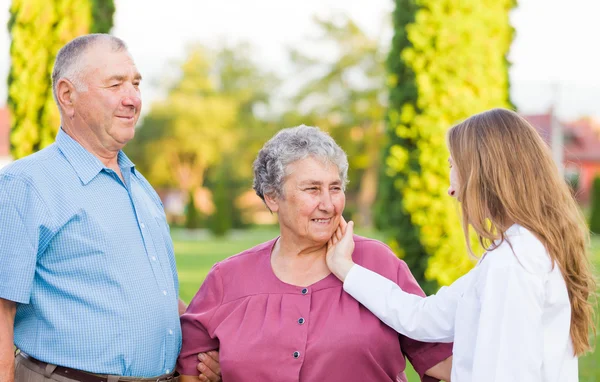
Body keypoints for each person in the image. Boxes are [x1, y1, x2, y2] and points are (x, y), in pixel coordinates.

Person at [0, 34, 220, 382]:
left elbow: (156, 289)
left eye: (135, 84)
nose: (132, 98)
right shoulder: (25, 185)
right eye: (115, 84)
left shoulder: (140, 186)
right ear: (67, 95)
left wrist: (197, 348)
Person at [325, 108, 597, 382]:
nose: (451, 189)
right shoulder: (519, 251)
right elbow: (423, 318)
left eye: (453, 166)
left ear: (483, 172)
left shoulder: (513, 263)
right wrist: (347, 269)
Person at [177, 125, 453, 382]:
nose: (328, 204)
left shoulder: (377, 262)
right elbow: (193, 364)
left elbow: (440, 358)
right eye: (312, 189)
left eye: (335, 188)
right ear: (272, 197)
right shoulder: (228, 278)